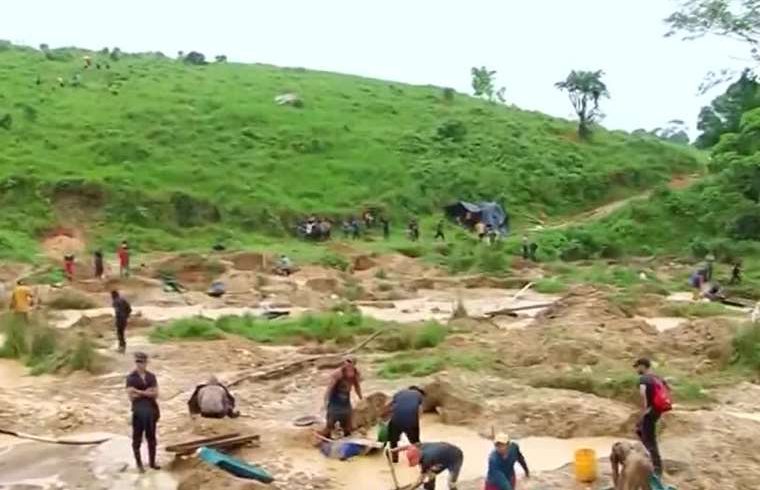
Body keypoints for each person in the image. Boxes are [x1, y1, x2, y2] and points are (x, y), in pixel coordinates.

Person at [126, 352, 160, 472]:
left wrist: (138, 391)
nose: (140, 364)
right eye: (138, 362)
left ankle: (152, 462)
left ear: (146, 363)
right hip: (138, 410)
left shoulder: (151, 376)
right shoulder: (131, 377)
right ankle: (139, 464)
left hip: (151, 409)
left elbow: (155, 394)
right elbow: (131, 396)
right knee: (137, 438)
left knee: (151, 437)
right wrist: (147, 392)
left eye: (142, 362)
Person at [634, 358, 665, 476]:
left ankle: (656, 469)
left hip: (649, 411)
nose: (636, 369)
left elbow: (643, 396)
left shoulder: (644, 379)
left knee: (649, 439)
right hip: (657, 410)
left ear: (643, 366)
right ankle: (648, 460)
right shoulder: (657, 377)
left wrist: (644, 411)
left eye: (637, 366)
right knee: (640, 430)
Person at [323, 357, 363, 438]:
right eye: (347, 362)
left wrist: (361, 398)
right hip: (335, 398)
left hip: (345, 399)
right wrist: (326, 400)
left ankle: (346, 435)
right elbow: (330, 388)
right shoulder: (338, 374)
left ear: (354, 364)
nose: (348, 364)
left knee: (347, 420)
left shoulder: (355, 373)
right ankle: (327, 435)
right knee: (331, 420)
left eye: (350, 362)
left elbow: (357, 386)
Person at [387, 386, 425, 462]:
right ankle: (420, 459)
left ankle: (395, 459)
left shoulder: (399, 393)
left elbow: (388, 405)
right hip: (411, 421)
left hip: (395, 419)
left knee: (393, 440)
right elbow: (420, 410)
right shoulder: (419, 394)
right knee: (415, 442)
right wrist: (417, 421)